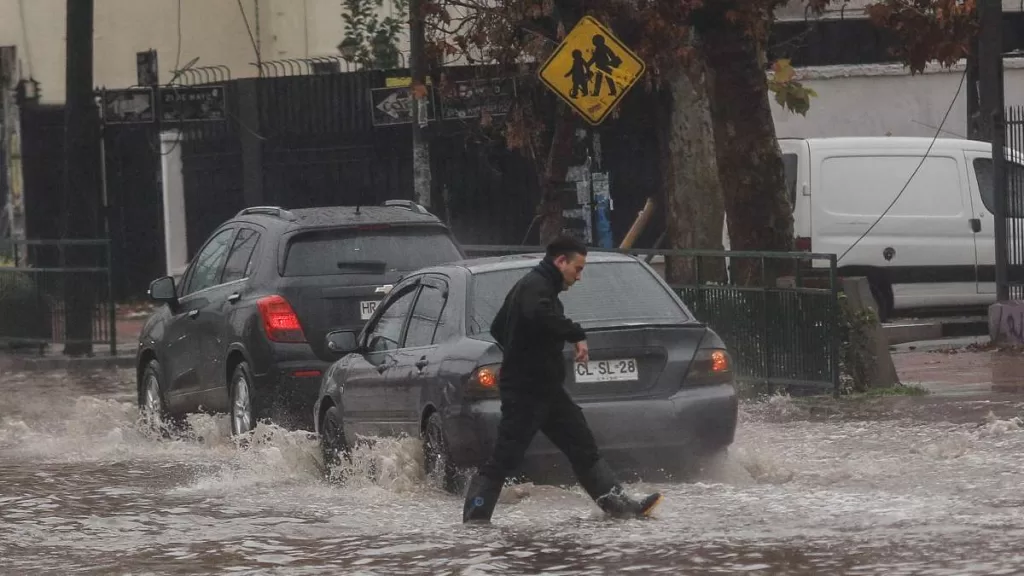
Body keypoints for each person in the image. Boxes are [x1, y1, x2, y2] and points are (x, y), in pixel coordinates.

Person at [462, 235, 663, 523]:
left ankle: (621, 508)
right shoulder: (535, 286)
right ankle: (475, 520)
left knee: (582, 445)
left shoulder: (538, 287)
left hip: (548, 390)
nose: (579, 277)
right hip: (525, 391)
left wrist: (525, 350)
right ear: (560, 262)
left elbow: (499, 327)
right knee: (505, 456)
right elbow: (537, 315)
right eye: (577, 269)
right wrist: (575, 333)